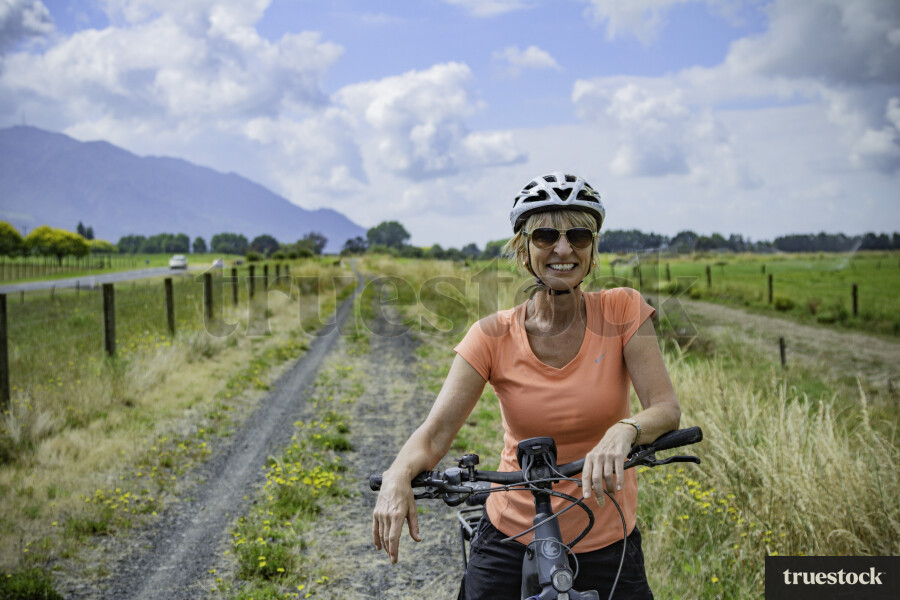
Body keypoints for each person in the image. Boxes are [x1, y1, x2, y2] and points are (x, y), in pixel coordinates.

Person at [372, 172, 681, 599]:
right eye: (545, 235)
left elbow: (665, 408)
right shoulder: (490, 335)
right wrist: (397, 475)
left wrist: (625, 430)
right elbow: (434, 434)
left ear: (592, 249)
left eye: (578, 234)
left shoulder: (623, 310)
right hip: (513, 534)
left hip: (608, 537)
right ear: (523, 249)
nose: (563, 248)